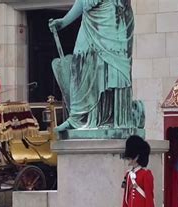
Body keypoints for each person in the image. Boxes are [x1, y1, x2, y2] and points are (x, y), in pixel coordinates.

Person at [48, 0, 140, 131]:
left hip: (112, 20)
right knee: (79, 62)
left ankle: (113, 118)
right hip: (90, 21)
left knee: (112, 70)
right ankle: (77, 117)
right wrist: (64, 21)